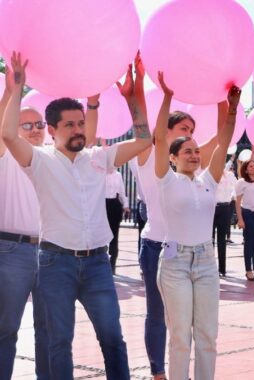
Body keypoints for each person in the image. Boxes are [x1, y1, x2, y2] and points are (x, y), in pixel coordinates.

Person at [2, 52, 151, 379]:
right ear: (53, 130)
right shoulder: (40, 161)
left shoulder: (99, 157)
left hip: (97, 263)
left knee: (112, 338)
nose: (77, 129)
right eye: (69, 124)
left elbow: (144, 140)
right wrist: (15, 89)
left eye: (81, 122)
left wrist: (134, 92)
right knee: (57, 342)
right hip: (55, 263)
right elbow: (9, 135)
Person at [130, 55, 218, 380]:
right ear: (167, 131)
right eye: (184, 128)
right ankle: (158, 372)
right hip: (157, 247)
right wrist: (139, 83)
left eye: (192, 131)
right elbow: (143, 121)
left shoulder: (190, 159)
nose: (190, 135)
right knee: (158, 315)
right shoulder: (147, 152)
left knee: (192, 325)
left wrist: (226, 96)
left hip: (193, 253)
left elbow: (222, 137)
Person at [154, 73, 241, 379]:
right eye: (186, 151)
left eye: (196, 150)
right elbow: (159, 138)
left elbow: (225, 139)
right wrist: (166, 96)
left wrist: (231, 108)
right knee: (180, 338)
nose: (194, 155)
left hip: (205, 262)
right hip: (175, 264)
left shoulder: (208, 180)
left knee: (207, 336)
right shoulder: (165, 179)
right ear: (173, 158)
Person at [0, 66, 73, 379]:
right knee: (5, 330)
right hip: (11, 252)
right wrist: (11, 91)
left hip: (51, 254)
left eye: (39, 124)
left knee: (50, 332)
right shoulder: (6, 154)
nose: (34, 129)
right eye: (25, 124)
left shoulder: (52, 159)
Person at [236, 159, 254, 281]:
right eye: (250, 166)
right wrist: (240, 219)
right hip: (247, 213)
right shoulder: (242, 182)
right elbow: (237, 202)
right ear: (246, 169)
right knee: (249, 242)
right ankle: (248, 270)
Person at [105, 168, 130, 274]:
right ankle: (101, 264)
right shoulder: (99, 173)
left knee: (114, 236)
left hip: (114, 204)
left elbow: (122, 191)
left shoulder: (118, 175)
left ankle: (112, 265)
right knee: (99, 236)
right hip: (101, 204)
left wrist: (126, 206)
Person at [214, 162, 236, 277]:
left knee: (222, 239)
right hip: (211, 207)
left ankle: (222, 269)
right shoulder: (209, 174)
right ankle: (210, 267)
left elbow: (235, 189)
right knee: (209, 239)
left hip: (225, 207)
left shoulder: (230, 175)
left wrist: (232, 198)